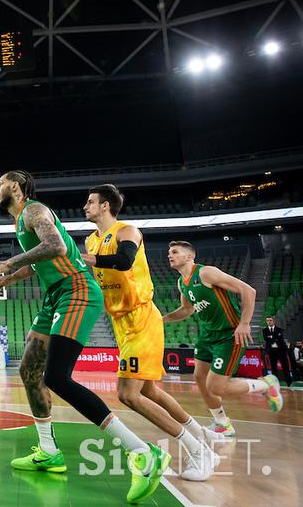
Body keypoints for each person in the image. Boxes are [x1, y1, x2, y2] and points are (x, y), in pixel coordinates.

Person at [0, 171, 167, 503]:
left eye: (0, 183)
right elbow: (49, 259)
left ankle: (141, 451)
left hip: (77, 292)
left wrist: (8, 261)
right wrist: (13, 275)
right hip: (56, 294)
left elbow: (54, 246)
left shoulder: (34, 211)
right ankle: (48, 451)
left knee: (56, 377)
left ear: (15, 186)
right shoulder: (24, 219)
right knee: (28, 370)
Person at [83, 185, 219, 480]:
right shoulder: (90, 240)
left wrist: (89, 260)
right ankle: (202, 435)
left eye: (91, 202)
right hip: (122, 321)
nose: (85, 206)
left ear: (105, 206)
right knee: (148, 391)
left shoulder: (126, 231)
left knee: (127, 395)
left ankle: (199, 451)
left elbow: (124, 260)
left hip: (141, 317)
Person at [163, 240, 283, 439]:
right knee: (199, 378)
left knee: (216, 386)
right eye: (169, 252)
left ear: (189, 256)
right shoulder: (181, 283)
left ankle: (266, 384)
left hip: (228, 335)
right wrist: (161, 320)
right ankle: (222, 423)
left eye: (174, 252)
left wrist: (244, 323)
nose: (170, 255)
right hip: (207, 335)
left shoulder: (205, 273)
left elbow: (248, 291)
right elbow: (187, 309)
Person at [262, 316, 295, 385]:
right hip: (272, 351)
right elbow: (266, 339)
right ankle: (275, 382)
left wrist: (271, 337)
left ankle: (289, 381)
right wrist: (274, 337)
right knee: (273, 368)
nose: (269, 322)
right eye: (267, 320)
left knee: (285, 366)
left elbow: (279, 338)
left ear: (274, 321)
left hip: (281, 350)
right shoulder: (264, 330)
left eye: (270, 320)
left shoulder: (279, 329)